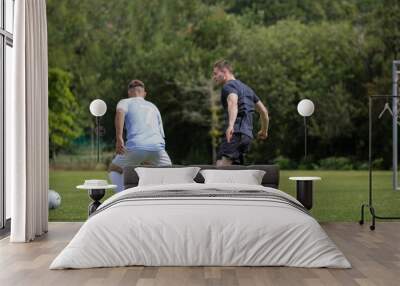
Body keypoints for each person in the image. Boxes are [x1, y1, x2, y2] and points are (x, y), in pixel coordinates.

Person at [108, 79, 172, 192]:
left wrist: (119, 138)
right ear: (144, 93)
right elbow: (160, 132)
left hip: (136, 146)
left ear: (129, 93)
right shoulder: (153, 106)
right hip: (158, 149)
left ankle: (123, 197)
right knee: (169, 174)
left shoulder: (125, 102)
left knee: (114, 169)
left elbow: (120, 113)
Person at [212, 60, 269, 166]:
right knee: (235, 170)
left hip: (235, 134)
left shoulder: (228, 86)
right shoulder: (248, 89)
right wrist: (264, 131)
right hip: (247, 136)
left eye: (215, 73)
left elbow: (233, 102)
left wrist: (231, 125)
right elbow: (264, 112)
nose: (214, 77)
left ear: (224, 72)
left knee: (221, 166)